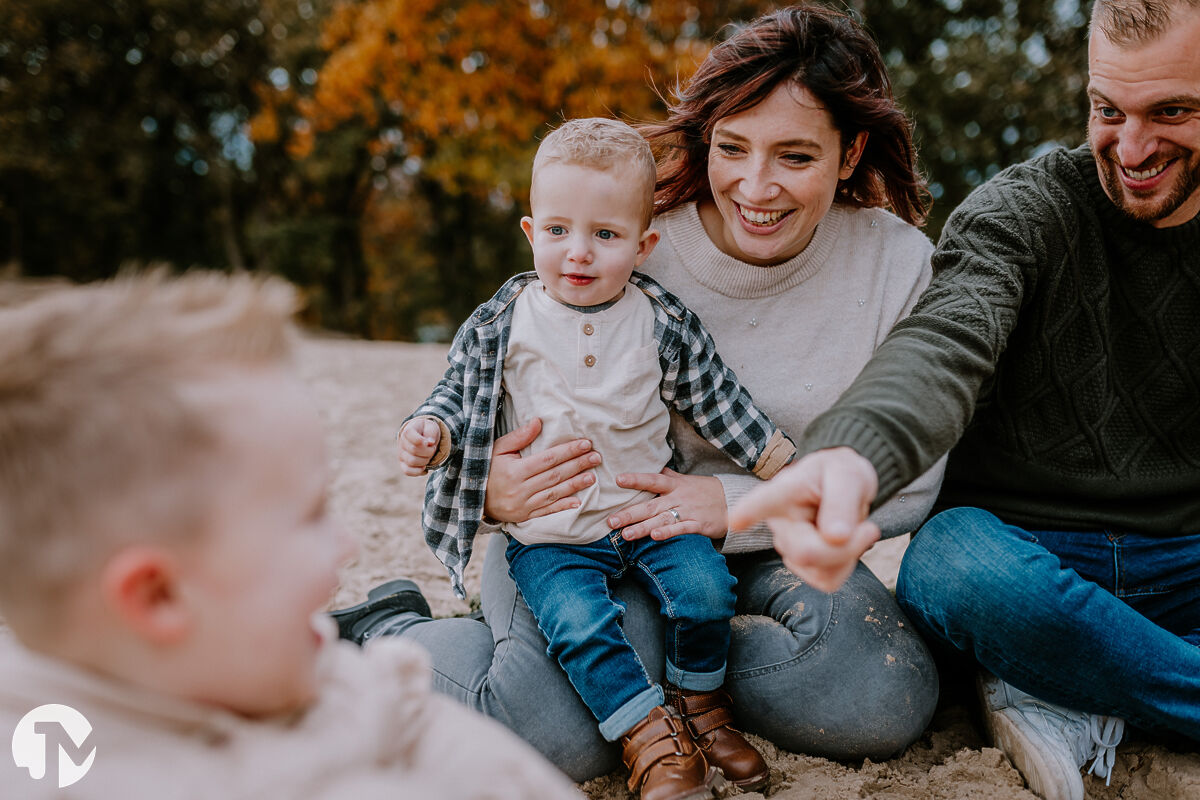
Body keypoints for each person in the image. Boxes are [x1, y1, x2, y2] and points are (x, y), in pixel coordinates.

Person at [333, 4, 945, 781]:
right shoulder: (620, 237)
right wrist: (487, 487)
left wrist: (738, 505)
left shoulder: (896, 265)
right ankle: (389, 631)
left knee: (876, 695)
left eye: (794, 156)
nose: (756, 187)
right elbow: (485, 387)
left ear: (851, 151)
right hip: (576, 526)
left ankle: (666, 688)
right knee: (559, 739)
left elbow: (914, 475)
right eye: (732, 148)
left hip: (766, 535)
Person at [729, 1, 1200, 800]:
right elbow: (946, 339)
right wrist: (852, 449)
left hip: (1186, 558)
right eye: (1106, 110)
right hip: (1026, 560)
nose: (1130, 147)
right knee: (949, 560)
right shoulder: (1024, 210)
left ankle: (1074, 687)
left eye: (1173, 113)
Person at [0, 272, 582, 800]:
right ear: (159, 597)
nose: (347, 545)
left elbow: (417, 721)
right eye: (309, 516)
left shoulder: (311, 679)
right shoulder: (49, 762)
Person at [388, 116, 794, 799]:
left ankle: (701, 707)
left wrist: (774, 458)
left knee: (704, 591)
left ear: (643, 244)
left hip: (645, 515)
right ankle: (646, 737)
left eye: (604, 236)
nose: (577, 253)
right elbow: (458, 394)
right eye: (557, 231)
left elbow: (717, 397)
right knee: (580, 627)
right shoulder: (504, 320)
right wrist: (432, 430)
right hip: (553, 534)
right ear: (530, 232)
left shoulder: (660, 320)